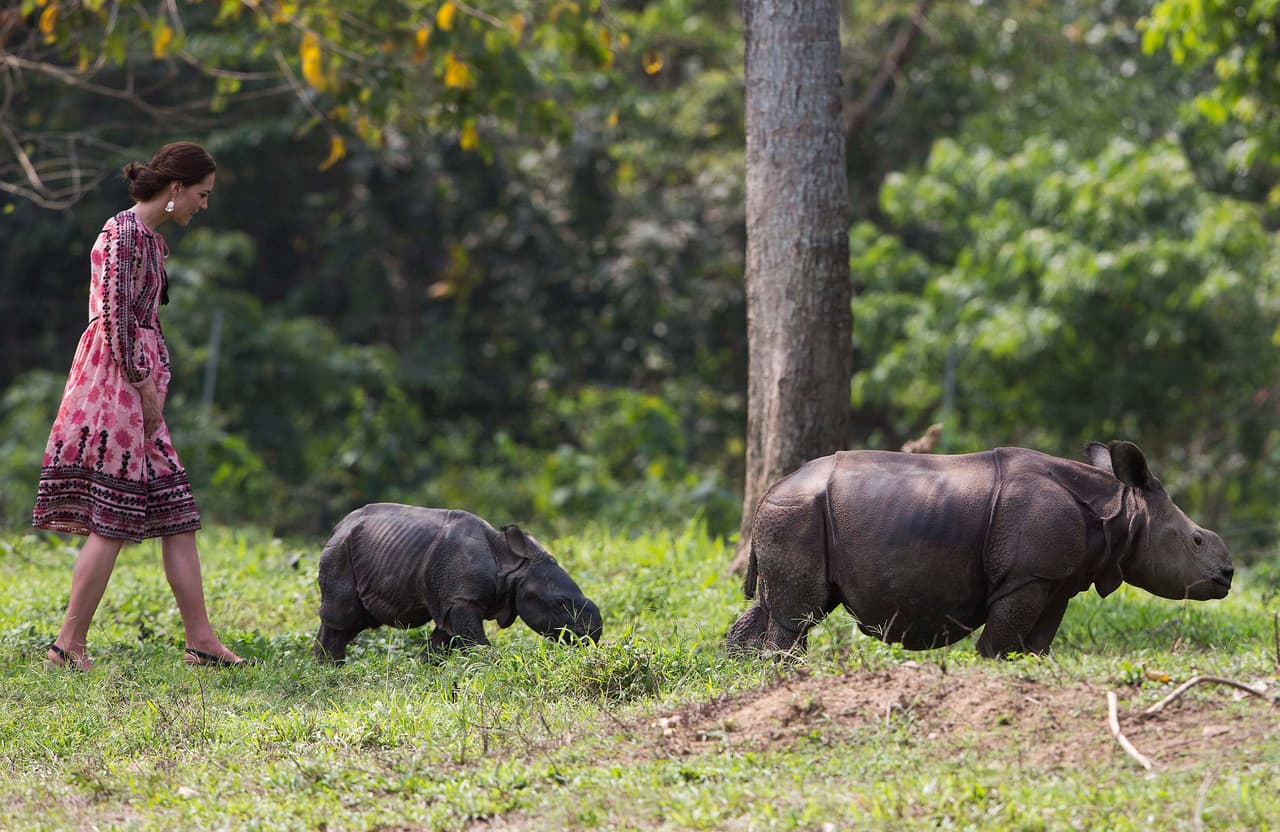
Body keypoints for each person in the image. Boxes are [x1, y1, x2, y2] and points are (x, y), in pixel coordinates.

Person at [33, 141, 246, 670]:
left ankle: (201, 639)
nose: (204, 204)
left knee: (177, 515)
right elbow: (115, 318)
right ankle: (67, 646)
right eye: (201, 194)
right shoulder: (125, 235)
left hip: (138, 383)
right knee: (114, 517)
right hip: (117, 388)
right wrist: (145, 384)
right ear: (176, 189)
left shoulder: (150, 239)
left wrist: (155, 381)